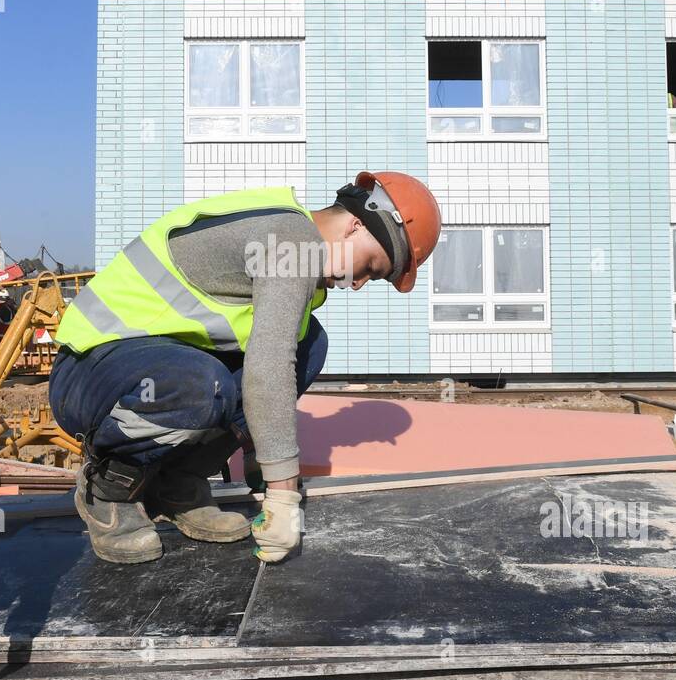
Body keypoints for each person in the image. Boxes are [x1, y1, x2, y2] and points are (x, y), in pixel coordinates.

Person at [48, 172, 441, 565]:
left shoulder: (297, 253)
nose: (358, 283)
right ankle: (109, 489)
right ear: (356, 224)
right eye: (371, 266)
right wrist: (283, 499)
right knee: (202, 384)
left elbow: (268, 362)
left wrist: (257, 448)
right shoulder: (291, 240)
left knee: (309, 344)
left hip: (154, 365)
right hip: (89, 373)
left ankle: (176, 483)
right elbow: (268, 366)